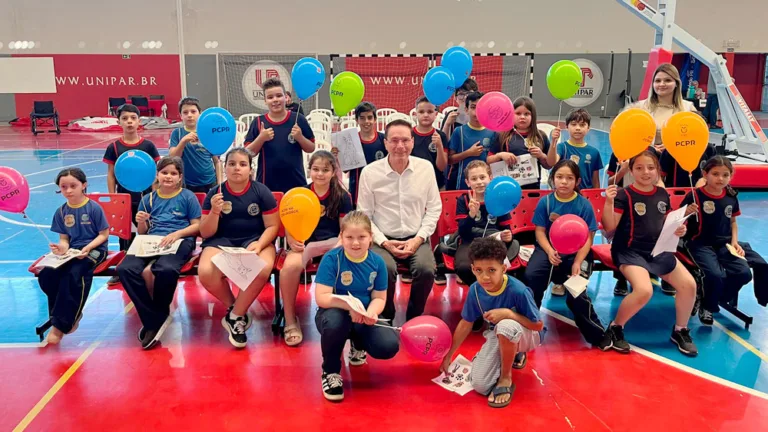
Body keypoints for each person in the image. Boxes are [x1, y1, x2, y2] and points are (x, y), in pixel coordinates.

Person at [601, 150, 699, 356]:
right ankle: (616, 327)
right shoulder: (622, 194)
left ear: (657, 171)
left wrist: (678, 228)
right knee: (644, 290)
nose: (645, 172)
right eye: (639, 168)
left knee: (689, 285)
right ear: (631, 171)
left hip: (657, 250)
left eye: (651, 168)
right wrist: (608, 203)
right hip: (629, 251)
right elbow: (610, 229)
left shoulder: (662, 194)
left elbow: (664, 223)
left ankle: (680, 330)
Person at [440, 237, 543, 408]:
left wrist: (509, 314)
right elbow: (466, 323)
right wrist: (448, 355)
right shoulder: (475, 290)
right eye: (479, 270)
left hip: (529, 335)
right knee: (480, 384)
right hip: (500, 334)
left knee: (505, 326)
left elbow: (538, 326)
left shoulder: (518, 290)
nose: (485, 277)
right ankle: (511, 352)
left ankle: (506, 379)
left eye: (491, 270)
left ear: (503, 269)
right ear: (472, 269)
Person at [357, 119, 442, 322]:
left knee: (426, 270)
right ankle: (386, 316)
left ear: (413, 142)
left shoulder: (426, 168)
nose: (400, 146)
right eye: (394, 140)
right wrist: (384, 242)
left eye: (405, 140)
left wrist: (418, 239)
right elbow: (364, 215)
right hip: (381, 239)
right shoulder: (370, 172)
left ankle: (414, 315)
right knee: (384, 269)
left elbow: (435, 208)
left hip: (416, 236)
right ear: (385, 143)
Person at [314, 211, 400, 402]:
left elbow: (379, 297)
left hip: (362, 316)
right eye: (349, 237)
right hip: (334, 312)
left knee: (388, 346)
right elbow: (321, 297)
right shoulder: (332, 259)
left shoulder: (377, 262)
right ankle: (330, 372)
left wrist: (371, 312)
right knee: (336, 322)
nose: (355, 243)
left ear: (370, 238)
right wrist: (348, 306)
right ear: (341, 237)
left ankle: (358, 345)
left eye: (361, 237)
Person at [197, 148, 279, 348]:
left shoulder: (261, 191)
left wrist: (260, 244)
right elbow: (205, 233)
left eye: (242, 164)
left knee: (263, 267)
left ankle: (235, 316)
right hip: (220, 240)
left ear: (250, 169)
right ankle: (237, 309)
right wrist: (214, 212)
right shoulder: (214, 193)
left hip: (254, 239)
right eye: (232, 164)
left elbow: (273, 226)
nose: (237, 168)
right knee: (206, 272)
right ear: (225, 168)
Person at [117, 157, 201, 349]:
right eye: (164, 172)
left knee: (165, 268)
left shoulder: (187, 196)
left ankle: (155, 318)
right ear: (157, 175)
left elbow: (197, 226)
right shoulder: (148, 199)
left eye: (173, 173)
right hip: (151, 241)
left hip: (180, 241)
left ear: (180, 177)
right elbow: (142, 232)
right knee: (125, 269)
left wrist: (177, 234)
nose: (168, 177)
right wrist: (141, 221)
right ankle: (154, 318)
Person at [524, 160, 608, 349]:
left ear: (577, 181)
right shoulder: (545, 202)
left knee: (577, 293)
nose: (564, 182)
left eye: (569, 178)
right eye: (560, 177)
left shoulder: (583, 205)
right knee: (532, 277)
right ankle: (529, 325)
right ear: (553, 179)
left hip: (577, 254)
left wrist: (578, 261)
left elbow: (589, 237)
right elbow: (539, 232)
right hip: (548, 250)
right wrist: (549, 250)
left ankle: (597, 334)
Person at [681, 156, 767, 325]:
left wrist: (735, 242)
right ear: (705, 174)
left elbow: (733, 222)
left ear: (731, 176)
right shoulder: (695, 196)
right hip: (700, 244)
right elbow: (676, 219)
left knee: (743, 274)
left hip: (725, 244)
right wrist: (686, 212)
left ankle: (713, 296)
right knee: (715, 275)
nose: (720, 178)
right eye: (715, 174)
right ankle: (707, 306)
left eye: (725, 175)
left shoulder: (730, 196)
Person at [280, 151, 353, 346]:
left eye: (325, 170)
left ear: (333, 171)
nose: (320, 174)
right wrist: (291, 239)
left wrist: (334, 250)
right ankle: (289, 319)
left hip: (334, 246)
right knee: (289, 268)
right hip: (304, 245)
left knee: (345, 265)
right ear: (309, 170)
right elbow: (289, 223)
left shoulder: (342, 196)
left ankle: (347, 317)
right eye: (315, 169)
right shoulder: (300, 194)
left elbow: (345, 231)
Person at [38, 168, 110, 345]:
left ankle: (61, 325)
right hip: (73, 251)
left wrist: (87, 248)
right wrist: (61, 248)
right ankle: (67, 312)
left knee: (74, 274)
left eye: (73, 186)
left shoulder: (94, 208)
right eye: (63, 187)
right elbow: (64, 239)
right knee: (47, 274)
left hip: (95, 250)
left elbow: (104, 234)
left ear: (83, 185)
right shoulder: (61, 211)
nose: (68, 190)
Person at [103, 103, 161, 285]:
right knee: (125, 235)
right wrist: (113, 196)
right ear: (119, 121)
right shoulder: (114, 147)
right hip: (123, 199)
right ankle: (123, 269)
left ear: (138, 122)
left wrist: (154, 196)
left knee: (147, 231)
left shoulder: (148, 146)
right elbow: (111, 173)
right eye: (125, 118)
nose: (129, 122)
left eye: (133, 118)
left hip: (144, 198)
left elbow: (154, 173)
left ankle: (149, 266)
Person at [631, 63, 714, 188]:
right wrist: (650, 146)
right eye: (657, 80)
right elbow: (629, 135)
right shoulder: (639, 108)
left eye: (667, 80)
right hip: (647, 158)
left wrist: (673, 145)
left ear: (676, 83)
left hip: (678, 161)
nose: (662, 84)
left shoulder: (688, 108)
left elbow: (696, 137)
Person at [605, 146, 661, 297]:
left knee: (646, 232)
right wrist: (623, 169)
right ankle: (621, 278)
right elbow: (611, 180)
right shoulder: (619, 151)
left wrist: (660, 195)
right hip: (625, 202)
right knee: (624, 237)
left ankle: (651, 270)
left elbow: (658, 178)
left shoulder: (652, 151)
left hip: (647, 200)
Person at [450, 161, 516, 286]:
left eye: (482, 177)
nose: (479, 182)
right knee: (464, 267)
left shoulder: (499, 198)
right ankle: (479, 291)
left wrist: (508, 237)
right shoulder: (463, 199)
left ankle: (496, 292)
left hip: (495, 242)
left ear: (490, 178)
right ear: (468, 182)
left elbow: (506, 229)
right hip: (470, 242)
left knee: (500, 266)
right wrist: (471, 215)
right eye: (474, 179)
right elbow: (463, 233)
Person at [244, 77, 315, 193]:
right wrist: (261, 138)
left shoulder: (298, 119)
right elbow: (248, 153)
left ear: (286, 97)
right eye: (270, 97)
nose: (275, 100)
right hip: (267, 185)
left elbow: (311, 148)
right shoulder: (258, 122)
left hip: (296, 182)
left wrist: (300, 137)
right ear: (265, 101)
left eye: (279, 95)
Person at [487, 97, 552, 189]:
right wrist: (500, 155)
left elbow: (549, 165)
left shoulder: (541, 136)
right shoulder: (502, 135)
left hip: (532, 190)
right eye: (518, 113)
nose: (522, 117)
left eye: (527, 114)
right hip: (507, 188)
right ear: (511, 115)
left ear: (533, 116)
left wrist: (541, 156)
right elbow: (489, 160)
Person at [335, 102, 387, 205]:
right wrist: (337, 156)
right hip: (357, 192)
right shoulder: (350, 141)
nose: (366, 121)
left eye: (369, 117)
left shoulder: (384, 140)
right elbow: (346, 169)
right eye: (362, 118)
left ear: (375, 119)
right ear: (356, 120)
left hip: (380, 191)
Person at [169, 97, 221, 193]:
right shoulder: (177, 133)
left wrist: (219, 184)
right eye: (185, 112)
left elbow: (217, 162)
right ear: (181, 116)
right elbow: (173, 157)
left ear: (200, 113)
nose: (189, 115)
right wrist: (183, 141)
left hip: (209, 182)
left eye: (193, 111)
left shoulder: (208, 133)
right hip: (187, 184)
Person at [446, 92, 497, 190]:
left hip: (486, 187)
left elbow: (495, 161)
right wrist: (469, 153)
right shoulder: (459, 131)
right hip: (463, 186)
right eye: (473, 107)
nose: (476, 112)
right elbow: (449, 160)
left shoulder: (493, 132)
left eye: (480, 107)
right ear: (466, 110)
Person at [546, 108, 603, 189]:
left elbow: (595, 180)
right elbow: (551, 162)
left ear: (588, 128)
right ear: (566, 127)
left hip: (585, 197)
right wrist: (554, 141)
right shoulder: (562, 147)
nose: (578, 128)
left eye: (582, 125)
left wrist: (596, 197)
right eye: (573, 124)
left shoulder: (594, 152)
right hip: (564, 194)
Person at [412, 96, 448, 189]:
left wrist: (439, 146)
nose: (426, 115)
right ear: (415, 114)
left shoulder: (441, 136)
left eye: (430, 112)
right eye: (421, 112)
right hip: (413, 184)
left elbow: (442, 167)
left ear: (436, 114)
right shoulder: (408, 135)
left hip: (436, 185)